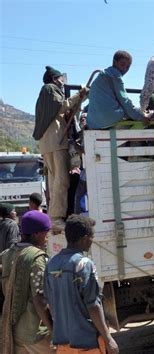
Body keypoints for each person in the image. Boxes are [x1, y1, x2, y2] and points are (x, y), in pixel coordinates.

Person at [44, 214, 119, 354]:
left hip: (63, 344)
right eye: (92, 237)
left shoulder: (51, 264)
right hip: (87, 344)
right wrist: (108, 338)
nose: (92, 241)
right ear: (84, 238)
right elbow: (93, 305)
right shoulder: (84, 265)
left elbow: (49, 302)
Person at [34, 65, 88, 232]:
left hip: (49, 141)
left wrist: (79, 99)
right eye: (61, 79)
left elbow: (66, 113)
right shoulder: (49, 89)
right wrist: (79, 95)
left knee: (54, 180)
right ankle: (56, 219)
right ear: (54, 79)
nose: (63, 83)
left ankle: (54, 217)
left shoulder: (46, 93)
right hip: (55, 140)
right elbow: (61, 107)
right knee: (61, 181)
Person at [1, 210, 54, 354]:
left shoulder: (7, 254)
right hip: (36, 333)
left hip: (15, 331)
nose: (47, 238)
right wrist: (53, 329)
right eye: (46, 233)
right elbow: (39, 298)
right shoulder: (37, 258)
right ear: (36, 234)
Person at [87, 50, 151, 129]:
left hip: (93, 122)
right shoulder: (115, 76)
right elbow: (125, 101)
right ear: (114, 62)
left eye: (128, 67)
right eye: (122, 65)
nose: (124, 69)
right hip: (109, 118)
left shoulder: (101, 76)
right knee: (135, 116)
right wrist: (141, 117)